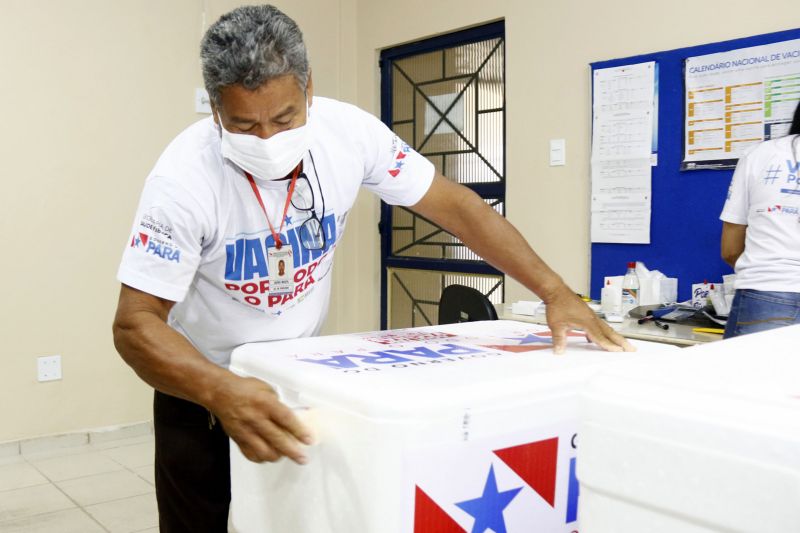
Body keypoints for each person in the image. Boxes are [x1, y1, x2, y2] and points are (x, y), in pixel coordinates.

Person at [112, 5, 632, 531]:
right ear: (217, 111)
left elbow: (458, 208)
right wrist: (218, 390)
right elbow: (135, 325)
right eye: (244, 125)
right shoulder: (182, 180)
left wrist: (554, 291)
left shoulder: (350, 133)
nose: (268, 140)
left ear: (309, 87)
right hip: (200, 392)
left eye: (286, 118)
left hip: (295, 378)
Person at [720, 101, 800, 339]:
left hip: (766, 289)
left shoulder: (761, 154)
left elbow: (730, 250)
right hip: (768, 289)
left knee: (750, 376)